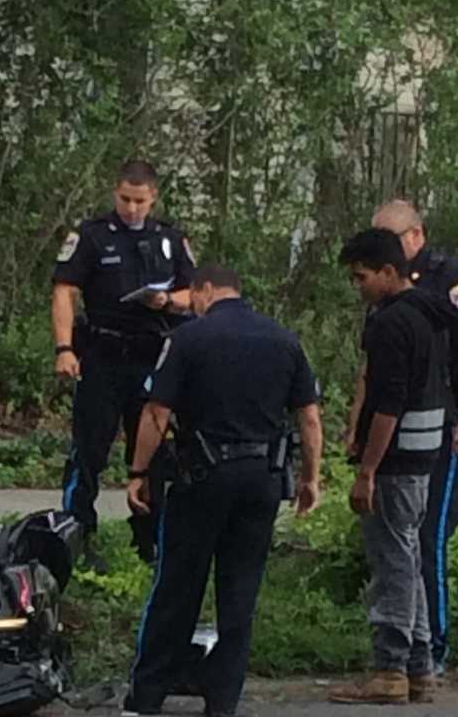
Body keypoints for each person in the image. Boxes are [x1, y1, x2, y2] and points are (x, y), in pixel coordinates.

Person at [122, 263, 323, 717]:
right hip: (262, 481)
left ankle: (147, 697)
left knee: (177, 588)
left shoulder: (188, 339)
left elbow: (156, 412)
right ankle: (222, 702)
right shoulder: (284, 339)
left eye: (193, 298)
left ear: (205, 291)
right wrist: (311, 478)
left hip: (202, 478)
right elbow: (309, 418)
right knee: (239, 595)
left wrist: (138, 471)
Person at [331, 228, 458, 705]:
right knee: (409, 551)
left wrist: (367, 469)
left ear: (387, 271)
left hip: (397, 455)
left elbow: (388, 402)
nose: (357, 286)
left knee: (394, 562)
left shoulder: (390, 323)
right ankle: (420, 666)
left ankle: (390, 667)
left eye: (361, 277)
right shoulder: (432, 312)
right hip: (427, 450)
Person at [52, 160, 196, 572]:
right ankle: (77, 535)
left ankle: (149, 542)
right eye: (124, 199)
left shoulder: (169, 238)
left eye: (140, 201)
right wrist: (64, 348)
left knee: (153, 454)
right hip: (102, 356)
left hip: (153, 357)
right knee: (88, 450)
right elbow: (64, 291)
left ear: (154, 199)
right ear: (114, 194)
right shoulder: (93, 235)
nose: (132, 208)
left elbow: (195, 294)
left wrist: (168, 302)